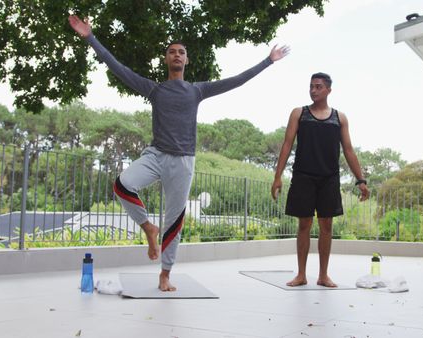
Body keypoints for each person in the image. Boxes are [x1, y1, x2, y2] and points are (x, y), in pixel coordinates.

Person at [68, 15, 290, 291]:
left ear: (186, 61)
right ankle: (148, 227)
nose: (176, 55)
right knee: (122, 185)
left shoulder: (197, 90)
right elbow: (118, 68)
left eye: (181, 52)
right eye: (172, 51)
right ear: (166, 60)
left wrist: (268, 61)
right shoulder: (155, 89)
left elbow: (237, 81)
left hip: (183, 161)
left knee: (174, 219)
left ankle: (165, 274)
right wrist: (90, 37)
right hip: (155, 155)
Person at [271, 72, 369, 288]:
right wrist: (277, 176)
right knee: (304, 224)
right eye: (311, 86)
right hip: (303, 175)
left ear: (328, 90)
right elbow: (287, 145)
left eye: (318, 87)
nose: (313, 90)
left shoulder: (339, 117)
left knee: (327, 225)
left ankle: (323, 275)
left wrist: (360, 179)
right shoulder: (299, 114)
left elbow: (349, 150)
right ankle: (301, 274)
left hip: (329, 178)